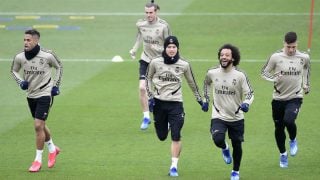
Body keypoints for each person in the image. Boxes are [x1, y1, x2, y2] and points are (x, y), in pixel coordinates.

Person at [146, 36, 203, 177]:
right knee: (161, 136)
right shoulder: (155, 62)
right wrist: (150, 96)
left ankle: (174, 166)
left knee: (176, 135)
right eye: (169, 47)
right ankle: (166, 126)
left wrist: (200, 100)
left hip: (176, 104)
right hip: (159, 103)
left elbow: (192, 83)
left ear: (177, 48)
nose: (171, 50)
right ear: (165, 48)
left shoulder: (184, 64)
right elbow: (147, 78)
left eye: (174, 47)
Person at [11, 29, 63, 172]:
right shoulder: (20, 57)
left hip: (45, 94)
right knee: (40, 125)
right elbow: (14, 70)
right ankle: (53, 149)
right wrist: (21, 82)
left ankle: (37, 160)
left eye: (29, 40)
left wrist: (56, 86)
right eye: (24, 40)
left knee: (37, 125)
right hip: (31, 95)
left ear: (36, 41)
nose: (26, 42)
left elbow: (59, 67)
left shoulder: (47, 55)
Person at [201, 44, 254, 180]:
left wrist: (247, 104)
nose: (223, 57)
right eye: (222, 54)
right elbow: (206, 83)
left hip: (236, 117)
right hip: (218, 114)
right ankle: (224, 148)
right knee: (218, 139)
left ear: (233, 58)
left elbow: (250, 93)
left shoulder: (240, 75)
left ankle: (235, 171)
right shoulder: (212, 72)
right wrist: (205, 100)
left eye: (227, 55)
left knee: (237, 145)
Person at [261, 31, 311, 168]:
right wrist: (274, 78)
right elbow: (263, 72)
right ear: (284, 44)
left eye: (294, 47)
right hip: (278, 99)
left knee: (289, 120)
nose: (291, 50)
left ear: (297, 44)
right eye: (289, 47)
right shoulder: (276, 57)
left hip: (295, 97)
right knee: (279, 128)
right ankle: (283, 154)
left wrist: (306, 85)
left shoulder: (304, 57)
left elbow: (306, 69)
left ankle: (293, 139)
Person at [129, 0, 171, 130]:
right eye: (146, 12)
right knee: (142, 88)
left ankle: (168, 119)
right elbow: (139, 37)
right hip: (146, 60)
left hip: (160, 62)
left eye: (151, 12)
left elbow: (170, 46)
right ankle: (146, 116)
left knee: (164, 92)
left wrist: (158, 49)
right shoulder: (141, 24)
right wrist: (134, 49)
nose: (149, 15)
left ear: (156, 11)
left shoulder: (164, 26)